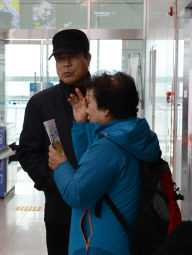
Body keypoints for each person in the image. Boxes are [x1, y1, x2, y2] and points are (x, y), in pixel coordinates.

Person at [48, 72, 161, 255]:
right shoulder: (126, 134)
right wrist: (81, 125)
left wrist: (60, 166)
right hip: (116, 240)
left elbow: (78, 194)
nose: (86, 107)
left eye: (90, 101)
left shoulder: (110, 147)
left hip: (100, 245)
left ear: (106, 109)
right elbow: (90, 165)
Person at [17, 29, 91, 255]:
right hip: (60, 210)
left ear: (87, 58)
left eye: (73, 57)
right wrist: (53, 183)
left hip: (103, 207)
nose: (66, 64)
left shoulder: (104, 97)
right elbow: (28, 151)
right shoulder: (41, 103)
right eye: (60, 58)